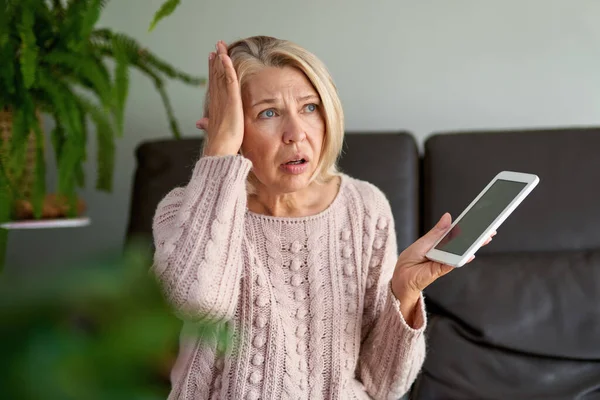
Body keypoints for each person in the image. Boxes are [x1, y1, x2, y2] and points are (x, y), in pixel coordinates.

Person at [151, 35, 493, 400]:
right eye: (268, 113)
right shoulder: (183, 210)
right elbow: (198, 304)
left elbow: (386, 388)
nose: (296, 134)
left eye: (310, 108)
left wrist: (405, 292)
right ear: (232, 125)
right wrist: (219, 151)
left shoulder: (365, 208)